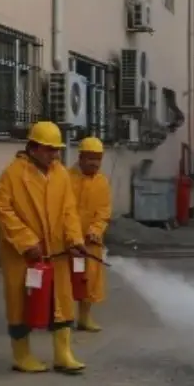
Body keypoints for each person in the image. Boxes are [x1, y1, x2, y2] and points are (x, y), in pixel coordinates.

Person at [0, 121, 88, 374]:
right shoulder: (13, 174)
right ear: (32, 148)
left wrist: (75, 240)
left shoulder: (60, 174)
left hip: (56, 253)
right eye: (48, 149)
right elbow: (0, 210)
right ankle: (21, 356)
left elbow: (69, 212)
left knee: (61, 300)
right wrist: (25, 242)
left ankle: (63, 354)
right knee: (21, 302)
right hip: (22, 256)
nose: (54, 154)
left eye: (56, 149)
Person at [68, 136, 112, 333]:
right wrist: (73, 236)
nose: (95, 163)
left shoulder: (102, 182)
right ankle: (62, 318)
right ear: (81, 157)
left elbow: (104, 210)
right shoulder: (66, 178)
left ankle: (85, 318)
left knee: (90, 279)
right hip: (68, 240)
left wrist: (95, 230)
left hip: (92, 241)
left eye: (98, 158)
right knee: (66, 279)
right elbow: (63, 211)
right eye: (90, 158)